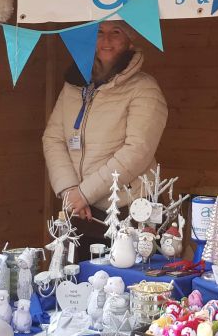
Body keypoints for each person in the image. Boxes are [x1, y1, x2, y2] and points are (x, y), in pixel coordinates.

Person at [42, 20, 168, 260]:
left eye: (116, 32)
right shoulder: (73, 86)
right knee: (77, 287)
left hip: (131, 209)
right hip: (80, 211)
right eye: (99, 32)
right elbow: (53, 138)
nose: (106, 40)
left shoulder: (144, 89)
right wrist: (69, 191)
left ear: (130, 41)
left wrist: (84, 193)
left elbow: (137, 151)